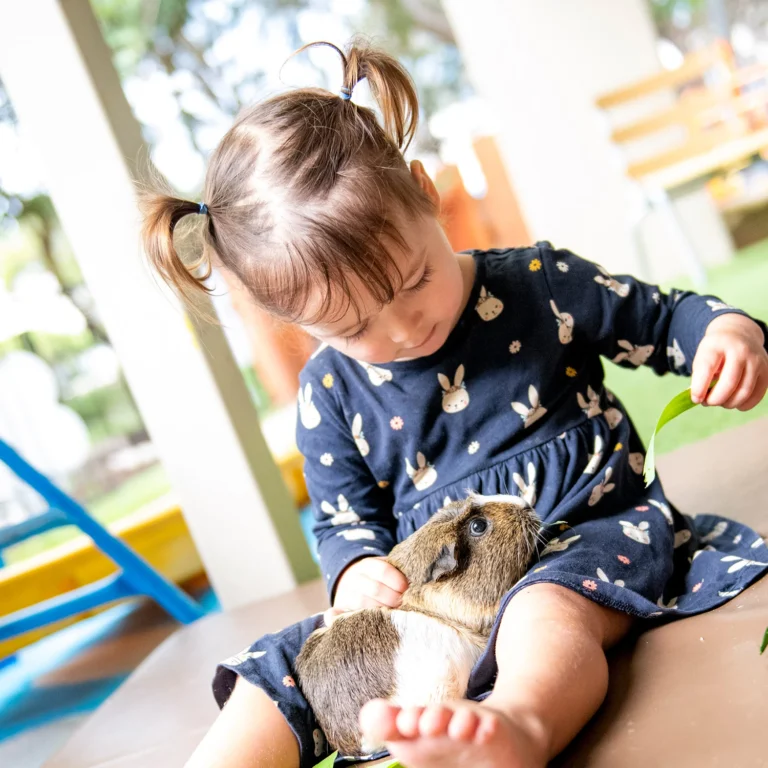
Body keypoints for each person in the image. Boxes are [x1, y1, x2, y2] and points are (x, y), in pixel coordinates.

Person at [141, 39, 768, 768]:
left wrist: (726, 333)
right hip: (431, 597)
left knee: (548, 606)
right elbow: (343, 519)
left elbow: (660, 321)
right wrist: (354, 572)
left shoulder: (541, 285)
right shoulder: (330, 393)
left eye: (412, 282)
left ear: (423, 192)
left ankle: (519, 725)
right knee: (289, 658)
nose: (403, 329)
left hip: (579, 538)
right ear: (299, 325)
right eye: (353, 328)